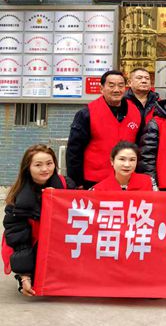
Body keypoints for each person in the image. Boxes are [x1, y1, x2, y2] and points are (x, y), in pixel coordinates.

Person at [3, 145, 74, 296]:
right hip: (33, 241)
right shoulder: (18, 198)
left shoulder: (66, 185)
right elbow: (18, 237)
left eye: (49, 163)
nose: (45, 169)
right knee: (36, 281)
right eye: (38, 165)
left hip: (61, 241)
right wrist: (24, 276)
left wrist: (60, 198)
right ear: (27, 168)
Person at [66, 70, 142, 188]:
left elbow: (140, 146)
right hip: (94, 179)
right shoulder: (87, 113)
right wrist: (76, 181)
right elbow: (74, 150)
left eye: (121, 85)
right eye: (111, 85)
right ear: (101, 88)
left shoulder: (136, 111)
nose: (116, 90)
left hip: (127, 179)